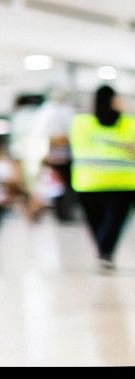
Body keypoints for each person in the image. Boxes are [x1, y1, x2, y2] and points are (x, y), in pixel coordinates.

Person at [70, 84, 135, 272]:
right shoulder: (129, 123)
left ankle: (104, 253)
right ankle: (105, 253)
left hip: (88, 181)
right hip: (122, 182)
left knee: (97, 223)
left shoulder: (80, 123)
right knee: (113, 222)